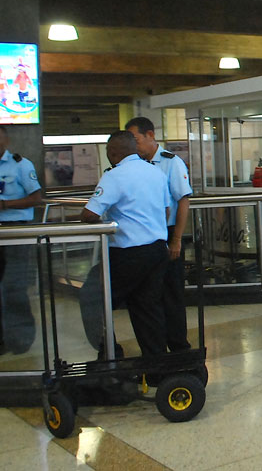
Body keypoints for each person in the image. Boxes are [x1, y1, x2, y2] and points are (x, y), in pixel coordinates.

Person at [81, 131, 171, 357]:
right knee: (146, 307)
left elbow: (90, 214)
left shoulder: (114, 176)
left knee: (92, 296)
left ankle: (109, 354)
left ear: (112, 153)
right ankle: (157, 365)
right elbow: (167, 209)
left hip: (128, 254)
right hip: (158, 250)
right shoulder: (156, 172)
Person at [125, 117, 193, 352]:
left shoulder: (170, 163)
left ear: (150, 135)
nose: (134, 145)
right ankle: (155, 350)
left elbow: (183, 201)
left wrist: (176, 240)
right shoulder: (135, 165)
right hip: (144, 238)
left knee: (171, 293)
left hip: (167, 233)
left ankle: (178, 347)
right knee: (147, 296)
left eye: (136, 139)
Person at [0, 125, 41, 356]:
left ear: (6, 141)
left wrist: (4, 205)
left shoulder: (22, 165)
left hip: (16, 231)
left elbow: (35, 197)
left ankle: (21, 338)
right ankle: (2, 338)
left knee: (14, 286)